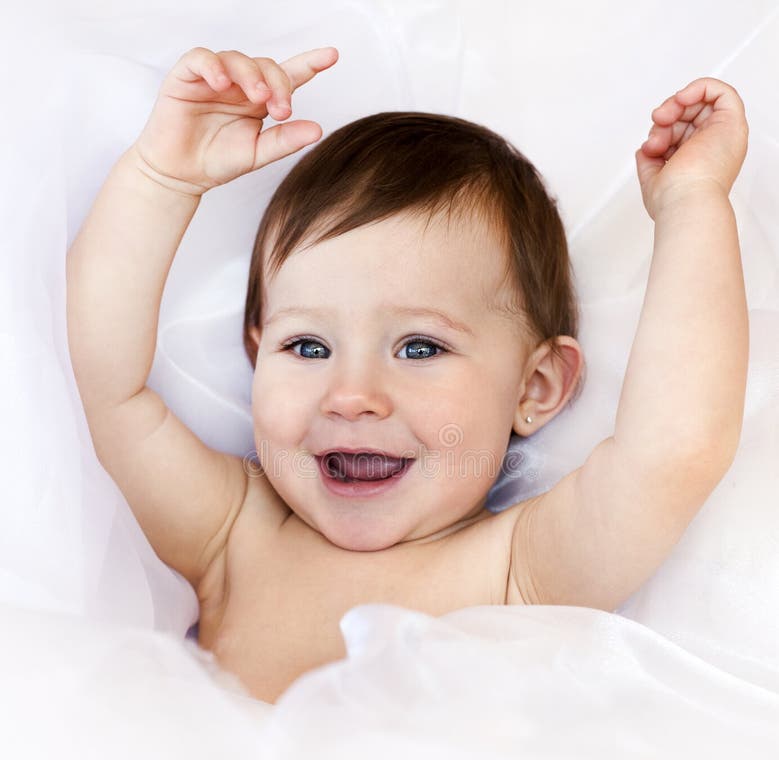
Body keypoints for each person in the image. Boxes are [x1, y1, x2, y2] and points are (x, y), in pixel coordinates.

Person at [66, 46, 749, 703]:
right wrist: (160, 178)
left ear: (534, 388)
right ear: (255, 357)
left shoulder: (520, 569)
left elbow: (670, 452)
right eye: (306, 347)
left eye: (419, 348)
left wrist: (692, 201)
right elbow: (100, 387)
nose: (352, 395)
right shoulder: (231, 534)